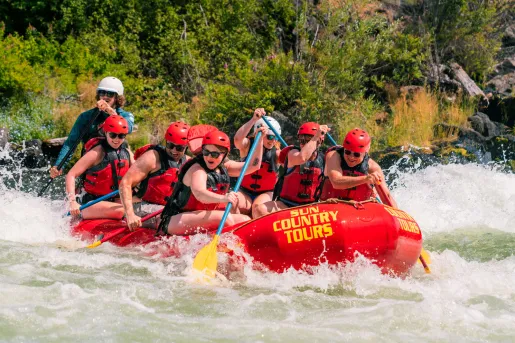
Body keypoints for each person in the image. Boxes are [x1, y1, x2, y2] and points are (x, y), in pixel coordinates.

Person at [157, 128, 267, 235]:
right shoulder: (197, 169)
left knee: (245, 219)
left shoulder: (225, 167)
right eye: (206, 152)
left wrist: (260, 139)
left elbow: (254, 166)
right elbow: (199, 194)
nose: (209, 157)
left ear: (224, 155)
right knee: (226, 219)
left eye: (215, 154)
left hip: (198, 215)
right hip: (176, 219)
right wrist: (224, 198)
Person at [50, 77, 135, 178]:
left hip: (118, 167)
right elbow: (71, 143)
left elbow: (127, 128)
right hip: (92, 169)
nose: (105, 97)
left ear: (117, 97)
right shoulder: (86, 117)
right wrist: (59, 165)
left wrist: (110, 111)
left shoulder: (126, 116)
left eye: (110, 94)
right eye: (102, 93)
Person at [119, 121, 191, 230]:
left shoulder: (188, 163)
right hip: (141, 207)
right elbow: (125, 183)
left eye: (179, 148)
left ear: (186, 147)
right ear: (166, 142)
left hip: (167, 210)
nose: (174, 151)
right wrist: (130, 215)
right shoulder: (152, 158)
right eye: (170, 145)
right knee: (169, 217)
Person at [254, 122, 329, 218]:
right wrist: (316, 137)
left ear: (320, 142)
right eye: (301, 140)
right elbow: (302, 158)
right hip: (286, 206)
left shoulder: (324, 159)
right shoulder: (293, 153)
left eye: (308, 140)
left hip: (309, 209)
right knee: (260, 210)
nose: (303, 144)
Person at [66, 116, 134, 219]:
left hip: (113, 201)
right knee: (123, 209)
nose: (116, 139)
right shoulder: (97, 152)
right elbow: (71, 174)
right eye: (112, 135)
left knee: (134, 206)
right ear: (106, 132)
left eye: (121, 136)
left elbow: (140, 173)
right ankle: (80, 215)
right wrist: (72, 202)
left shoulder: (127, 153)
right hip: (90, 203)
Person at [319, 128, 397, 206]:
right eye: (347, 152)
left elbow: (387, 197)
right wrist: (366, 179)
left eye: (356, 154)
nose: (351, 157)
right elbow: (336, 182)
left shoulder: (373, 167)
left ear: (365, 152)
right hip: (329, 207)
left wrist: (397, 214)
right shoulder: (334, 156)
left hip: (358, 210)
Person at [233, 108, 281, 218]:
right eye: (270, 136)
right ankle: (236, 227)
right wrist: (253, 120)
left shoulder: (277, 153)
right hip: (244, 191)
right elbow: (237, 140)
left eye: (276, 137)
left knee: (257, 209)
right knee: (232, 203)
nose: (273, 141)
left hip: (265, 193)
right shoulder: (247, 146)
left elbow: (295, 160)